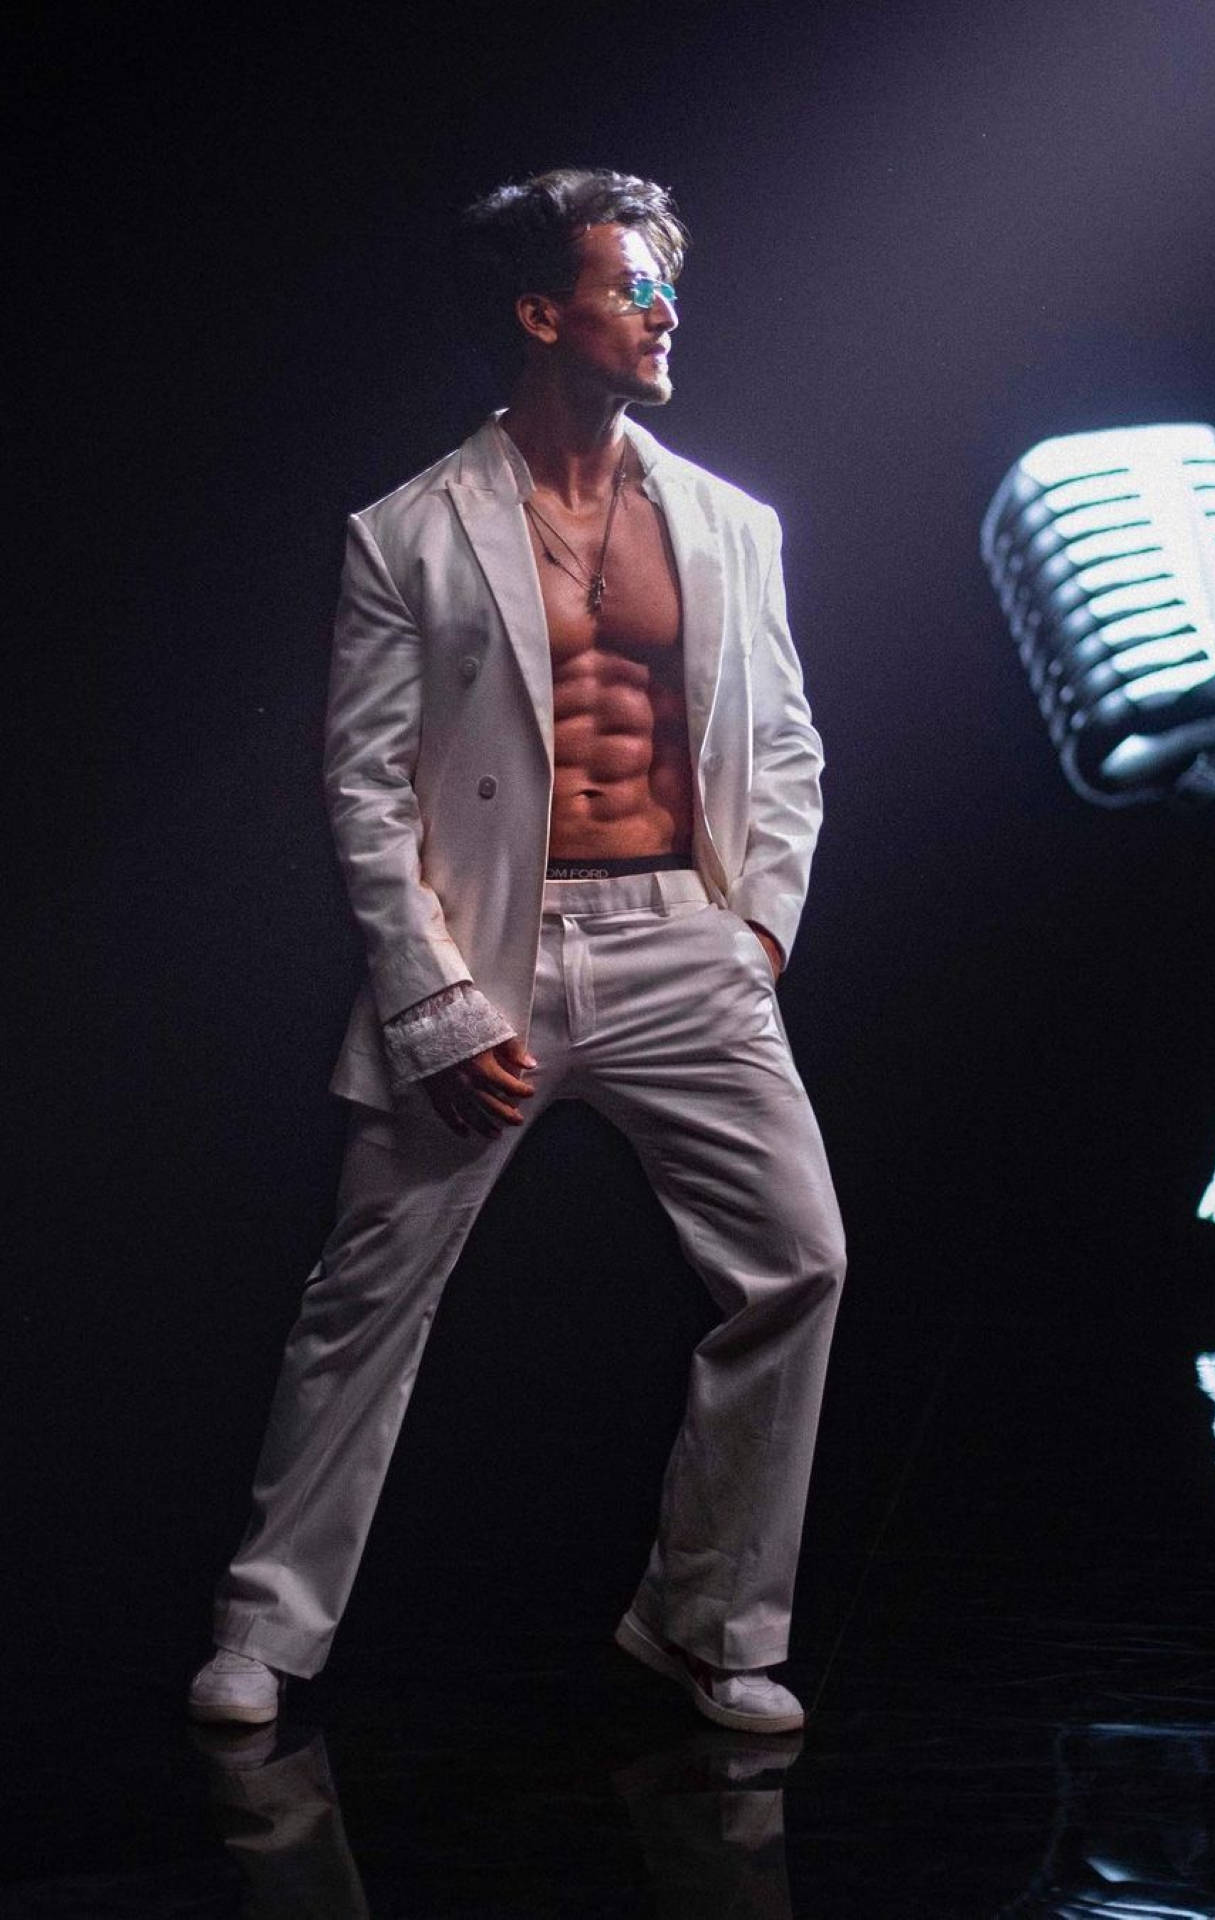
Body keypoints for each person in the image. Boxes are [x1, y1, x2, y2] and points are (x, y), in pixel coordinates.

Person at [188, 168, 845, 1735]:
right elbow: (363, 790)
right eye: (633, 286)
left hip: (685, 941)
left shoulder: (731, 525)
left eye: (669, 285)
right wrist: (434, 1000)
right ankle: (264, 1629)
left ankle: (707, 1622)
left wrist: (755, 930)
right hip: (491, 948)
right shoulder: (409, 532)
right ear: (543, 313)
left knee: (800, 1263)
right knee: (367, 1295)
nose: (666, 312)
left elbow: (787, 743)